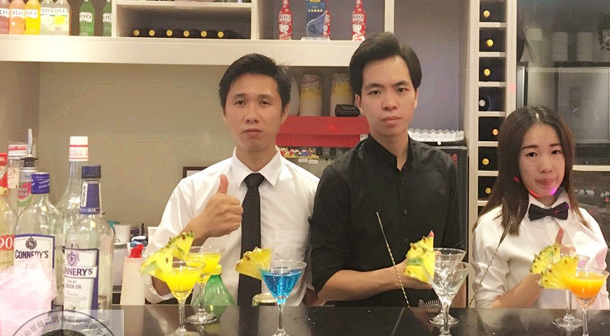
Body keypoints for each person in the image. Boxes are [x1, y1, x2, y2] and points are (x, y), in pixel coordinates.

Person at [143, 53, 319, 306]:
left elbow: (318, 288)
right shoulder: (193, 190)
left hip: (285, 329)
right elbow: (155, 288)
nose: (251, 115)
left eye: (264, 102)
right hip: (211, 329)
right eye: (240, 102)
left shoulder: (311, 192)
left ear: (284, 112)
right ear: (224, 113)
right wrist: (197, 230)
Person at [310, 32, 464, 306]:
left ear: (415, 96)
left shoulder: (442, 168)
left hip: (429, 327)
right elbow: (325, 283)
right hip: (359, 329)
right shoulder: (339, 178)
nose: (389, 102)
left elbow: (455, 260)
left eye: (401, 89)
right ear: (359, 101)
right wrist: (396, 276)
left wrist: (457, 322)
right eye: (375, 91)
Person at [472, 105, 609, 309]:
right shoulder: (493, 227)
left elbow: (601, 308)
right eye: (532, 154)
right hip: (519, 332)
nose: (546, 166)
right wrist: (542, 272)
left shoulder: (587, 224)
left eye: (555, 152)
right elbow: (486, 314)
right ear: (513, 162)